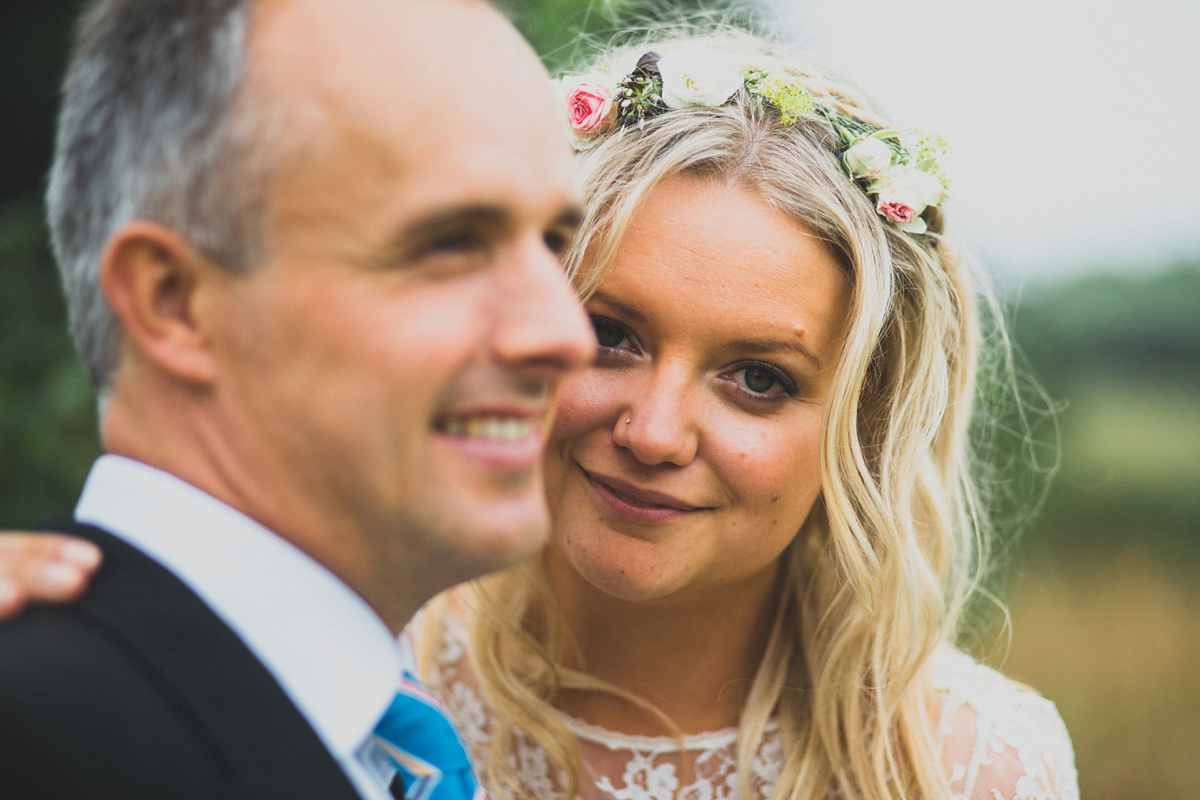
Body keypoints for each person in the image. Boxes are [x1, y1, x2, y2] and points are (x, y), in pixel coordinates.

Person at [0, 23, 1079, 800]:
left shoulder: (969, 764)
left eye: (758, 377)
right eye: (611, 330)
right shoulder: (370, 672)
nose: (653, 431)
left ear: (863, 422)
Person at [0, 0, 594, 797]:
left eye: (553, 243)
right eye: (450, 242)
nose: (566, 336)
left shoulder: (382, 743)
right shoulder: (37, 732)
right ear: (175, 301)